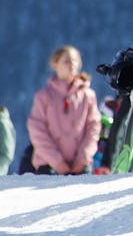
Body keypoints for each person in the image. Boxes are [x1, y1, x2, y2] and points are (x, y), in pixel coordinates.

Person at [27, 45, 102, 175]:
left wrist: (82, 158)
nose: (71, 64)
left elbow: (94, 128)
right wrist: (57, 162)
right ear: (55, 64)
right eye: (66, 61)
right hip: (48, 166)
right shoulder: (43, 96)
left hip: (80, 166)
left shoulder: (88, 95)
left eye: (74, 60)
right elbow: (37, 130)